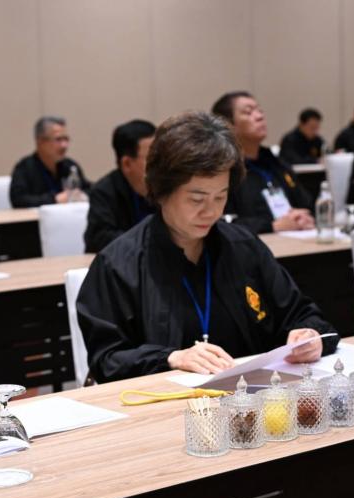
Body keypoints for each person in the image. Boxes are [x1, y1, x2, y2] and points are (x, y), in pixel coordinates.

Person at [76, 112, 338, 384]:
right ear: (162, 191)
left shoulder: (244, 247)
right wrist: (171, 358)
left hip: (250, 398)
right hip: (165, 402)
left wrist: (310, 337)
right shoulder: (119, 265)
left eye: (220, 197)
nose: (211, 211)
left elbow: (303, 315)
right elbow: (107, 360)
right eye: (196, 199)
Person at [211, 91, 314, 234]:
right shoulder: (220, 170)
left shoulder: (275, 162)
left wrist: (303, 217)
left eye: (259, 111)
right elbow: (221, 222)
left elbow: (306, 203)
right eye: (248, 112)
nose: (260, 116)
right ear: (228, 125)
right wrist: (272, 226)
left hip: (295, 239)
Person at [84, 119, 155, 253]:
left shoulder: (166, 187)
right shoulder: (103, 192)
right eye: (152, 158)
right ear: (127, 164)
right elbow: (99, 239)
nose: (160, 164)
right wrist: (148, 241)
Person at [9, 116, 91, 207]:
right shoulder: (24, 168)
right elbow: (18, 200)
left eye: (66, 139)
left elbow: (89, 189)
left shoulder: (70, 165)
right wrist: (54, 199)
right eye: (58, 139)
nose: (64, 145)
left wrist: (82, 195)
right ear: (40, 141)